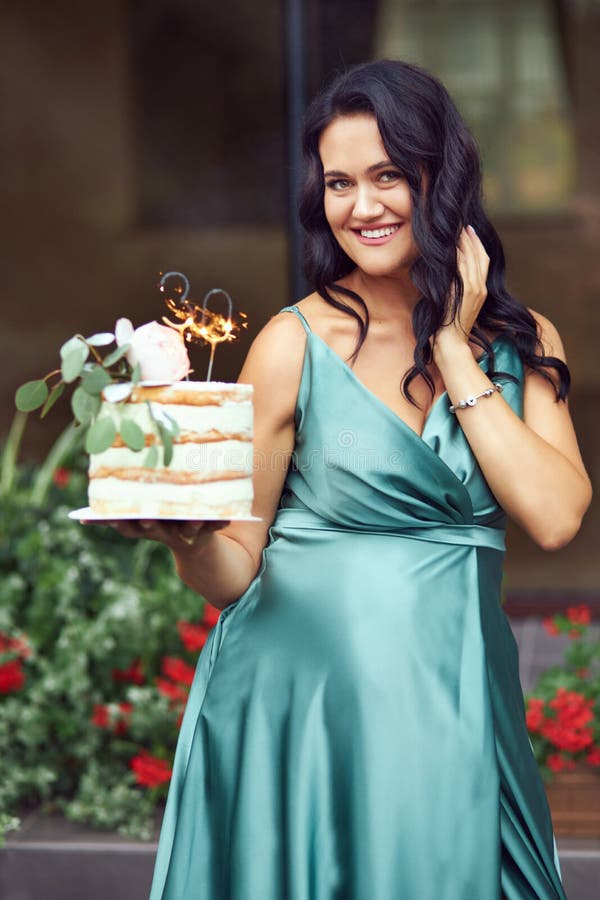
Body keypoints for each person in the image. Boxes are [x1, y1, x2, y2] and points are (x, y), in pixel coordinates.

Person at [113, 61, 592, 899]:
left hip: (453, 710)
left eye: (387, 177)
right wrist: (185, 538)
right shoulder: (291, 342)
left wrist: (450, 343)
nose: (362, 207)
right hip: (295, 716)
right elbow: (236, 567)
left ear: (440, 179)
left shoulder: (521, 342)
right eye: (339, 183)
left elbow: (554, 517)